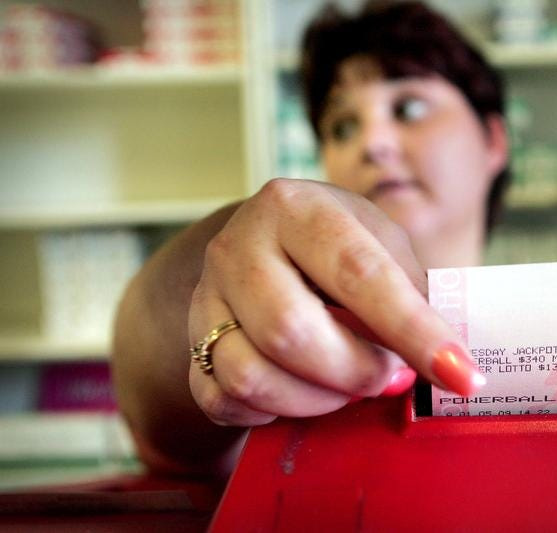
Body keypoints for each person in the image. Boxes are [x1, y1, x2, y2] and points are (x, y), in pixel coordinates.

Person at [111, 0, 509, 478]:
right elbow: (161, 433)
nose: (373, 143)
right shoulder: (286, 345)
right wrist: (223, 250)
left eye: (409, 108)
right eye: (342, 127)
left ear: (493, 141)